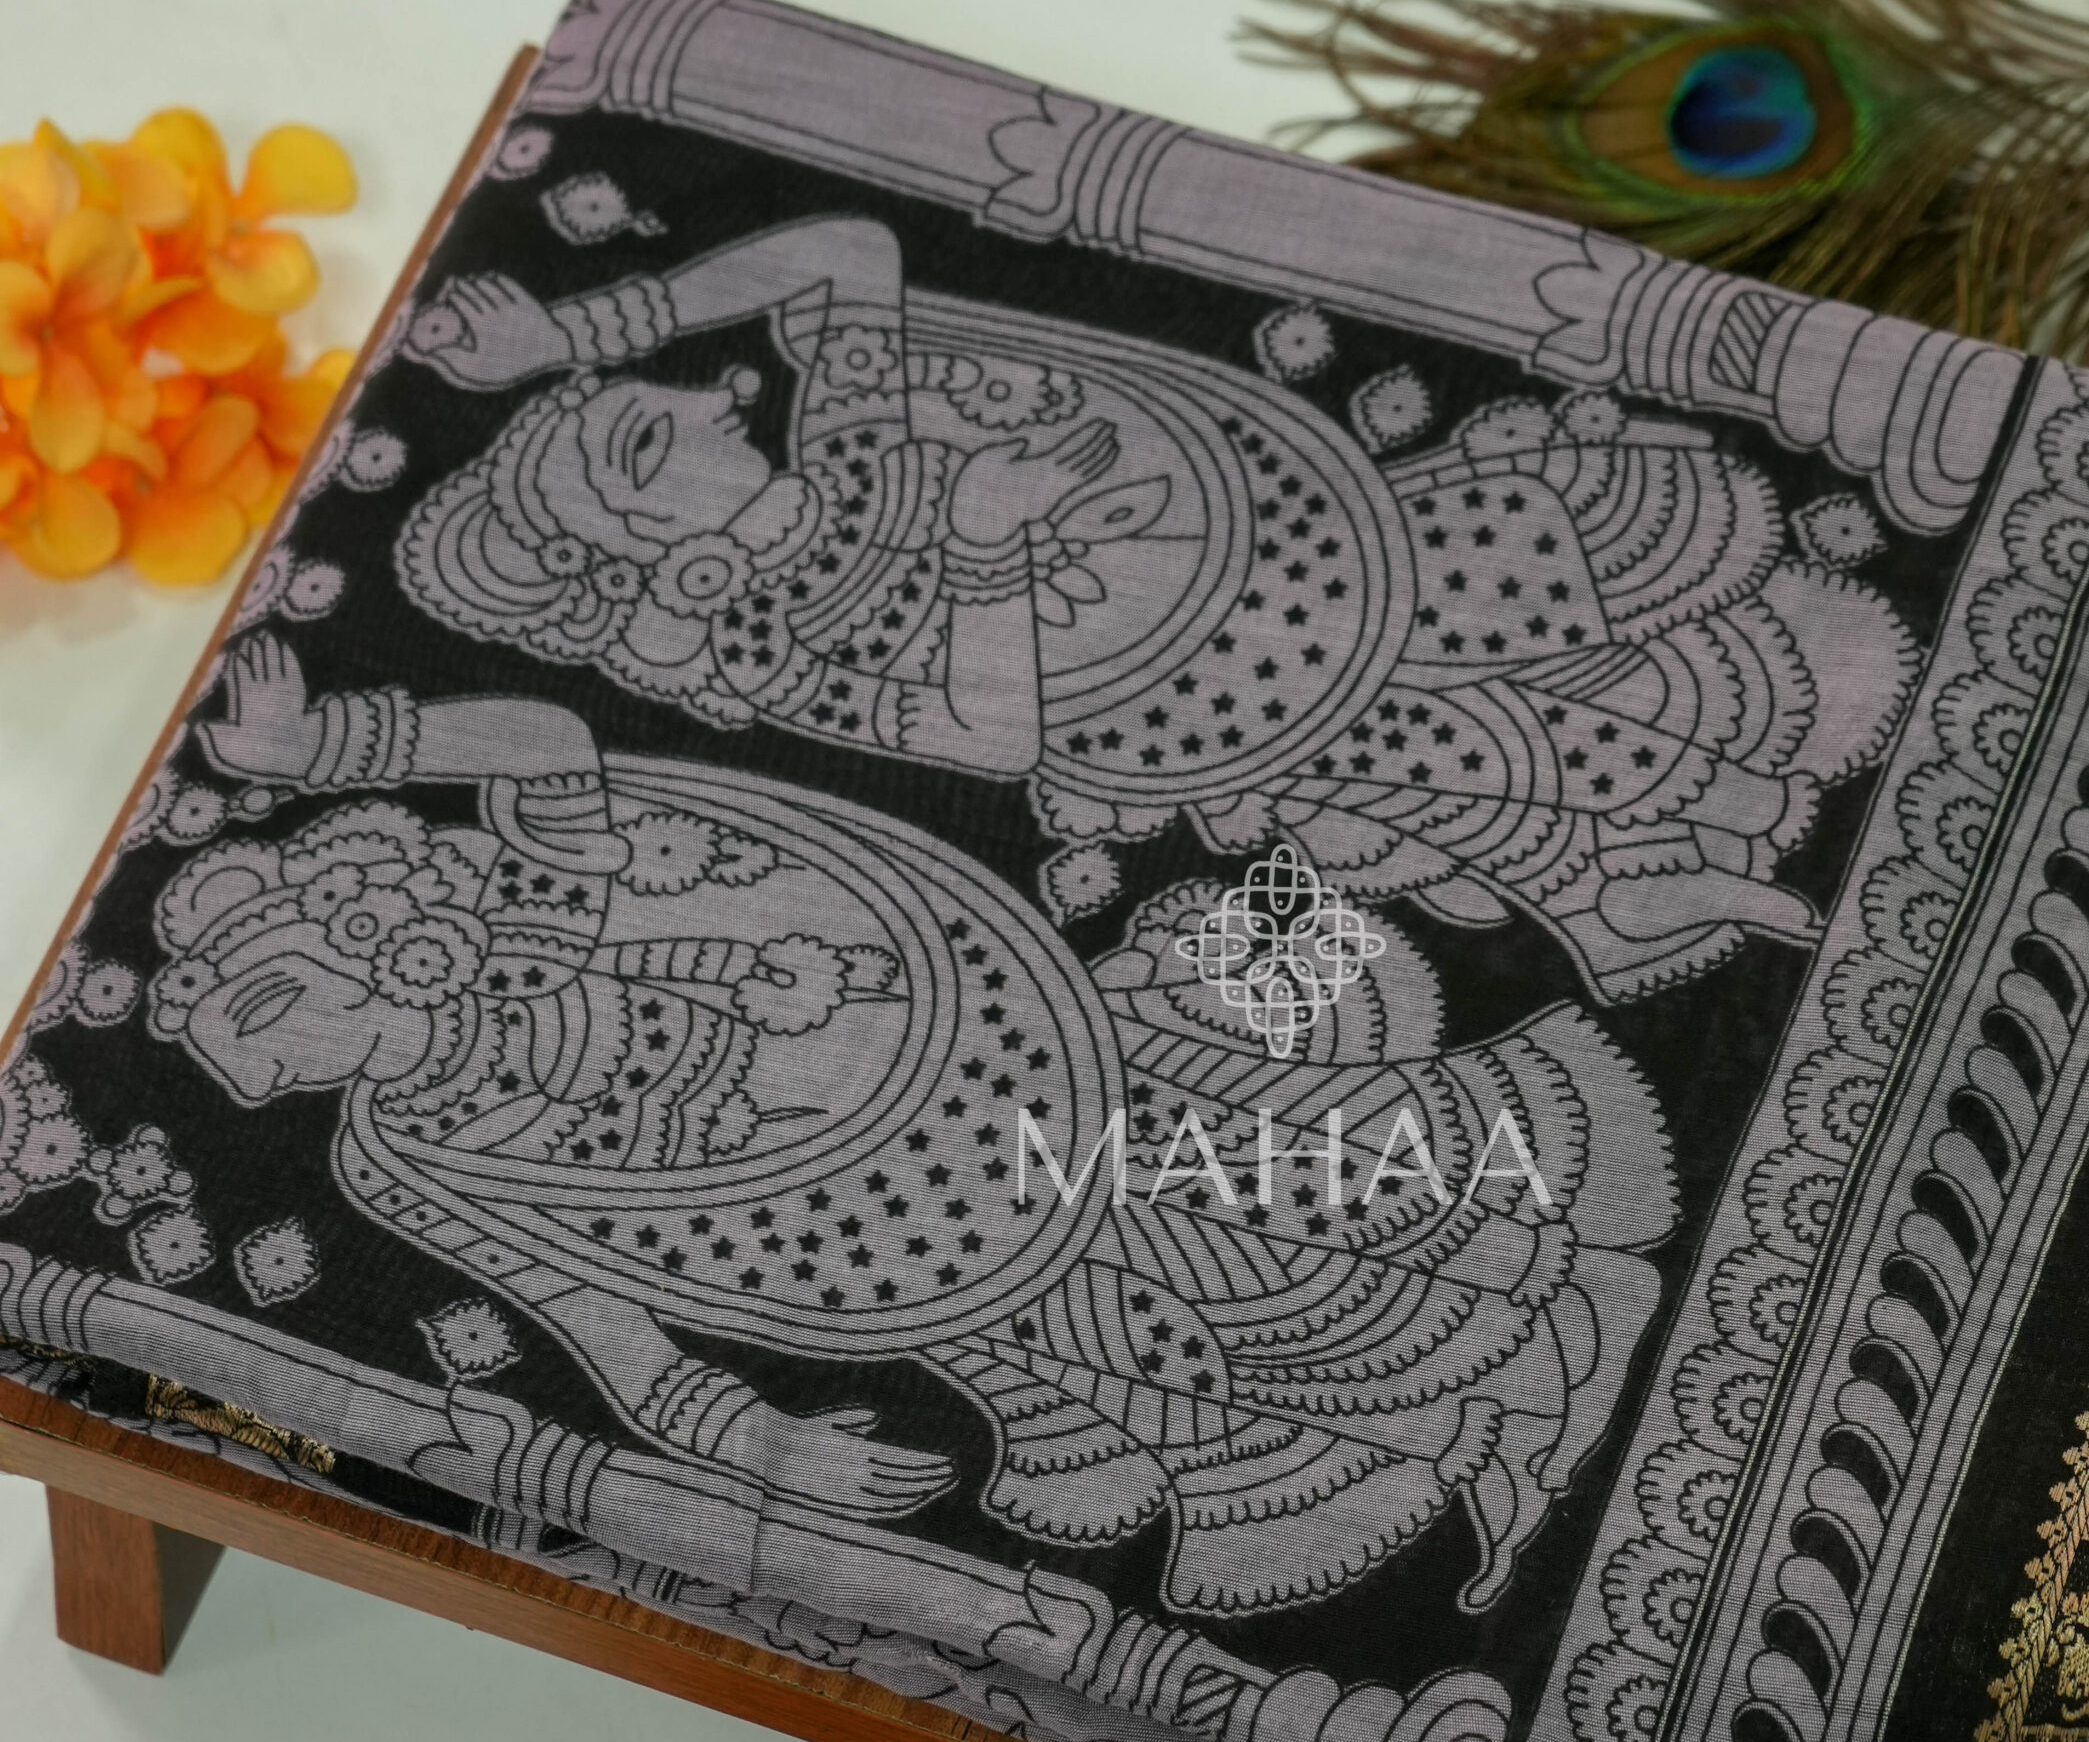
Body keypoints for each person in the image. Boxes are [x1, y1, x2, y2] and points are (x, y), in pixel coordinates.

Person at [158, 634, 1677, 1615]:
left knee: (1295, 1167)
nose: (258, 1077)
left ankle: (1562, 1268)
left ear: (371, 938)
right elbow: (593, 1313)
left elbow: (545, 738)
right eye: (244, 1058)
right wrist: (752, 1440)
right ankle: (1494, 1428)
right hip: (898, 1251)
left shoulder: (539, 900)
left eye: (267, 1009)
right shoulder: (397, 1161)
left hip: (1009, 1068)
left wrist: (330, 746)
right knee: (1196, 1364)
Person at [397, 216, 1919, 999]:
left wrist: (579, 330)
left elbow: (850, 249)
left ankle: (1831, 752)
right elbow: (986, 742)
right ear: (643, 549)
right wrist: (983, 546)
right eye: (642, 441)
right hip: (1193, 708)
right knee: (1491, 773)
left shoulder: (844, 428)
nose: (703, 394)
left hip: (1311, 544)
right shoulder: (766, 645)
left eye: (659, 390)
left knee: (1602, 545)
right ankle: (1663, 887)